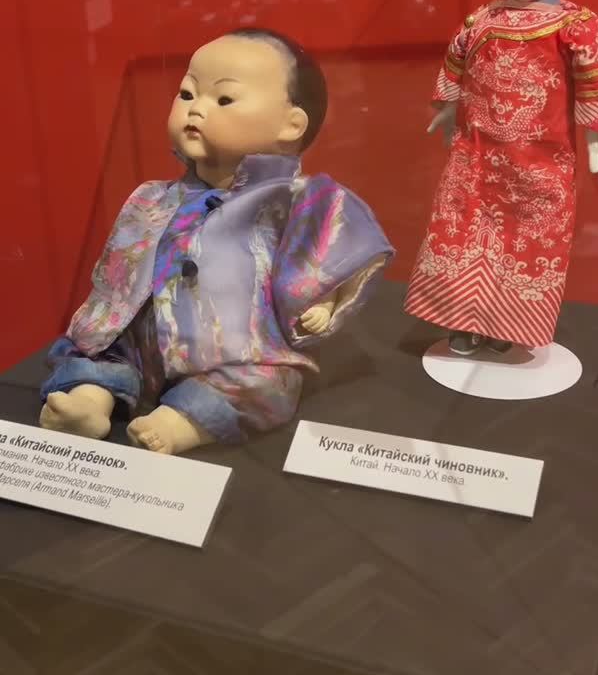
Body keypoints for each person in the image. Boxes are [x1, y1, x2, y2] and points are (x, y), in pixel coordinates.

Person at [40, 28, 393, 453]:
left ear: (291, 124)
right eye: (187, 94)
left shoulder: (297, 202)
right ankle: (88, 401)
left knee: (261, 382)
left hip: (233, 347)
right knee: (98, 352)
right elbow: (120, 272)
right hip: (140, 336)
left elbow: (330, 255)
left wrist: (322, 302)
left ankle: (179, 423)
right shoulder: (154, 197)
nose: (196, 109)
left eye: (224, 99)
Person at [405, 0, 598, 357]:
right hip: (475, 159)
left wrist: (597, 140)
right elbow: (457, 62)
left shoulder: (578, 26)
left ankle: (507, 326)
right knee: (459, 234)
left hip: (539, 166)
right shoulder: (482, 19)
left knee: (527, 244)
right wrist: (447, 107)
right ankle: (461, 321)